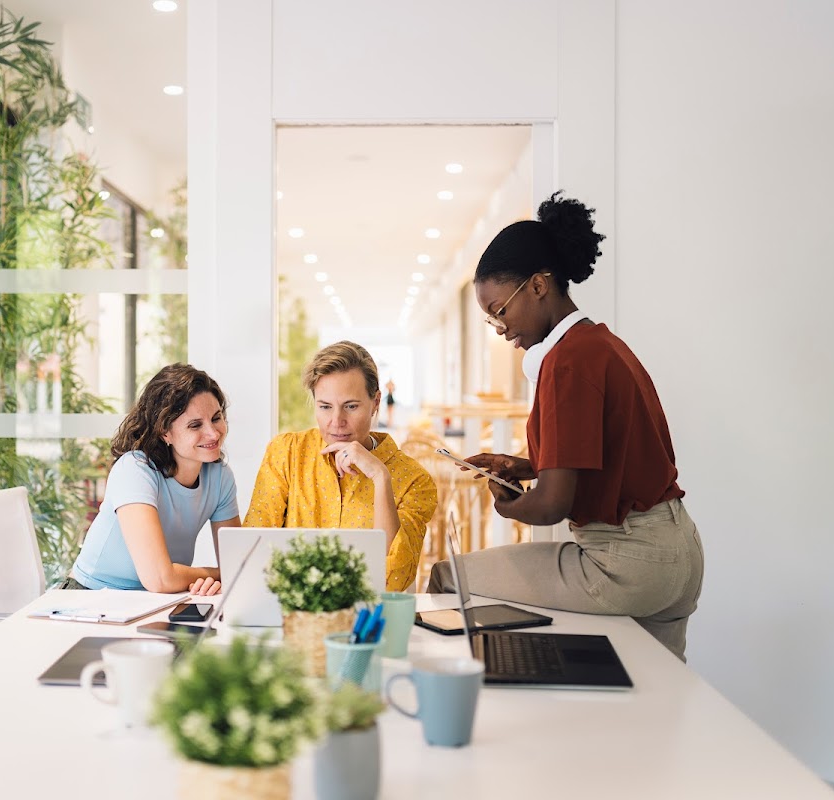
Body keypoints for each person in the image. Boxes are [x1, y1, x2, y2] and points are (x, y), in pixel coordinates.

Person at [428, 192, 704, 660]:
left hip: (626, 561)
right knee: (655, 690)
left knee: (447, 576)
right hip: (679, 550)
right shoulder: (602, 344)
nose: (500, 329)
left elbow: (553, 504)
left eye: (500, 311)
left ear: (538, 285)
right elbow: (609, 453)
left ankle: (468, 691)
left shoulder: (565, 362)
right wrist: (525, 466)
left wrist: (510, 506)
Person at [245, 341, 437, 591]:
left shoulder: (414, 480)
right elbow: (251, 551)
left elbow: (393, 581)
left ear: (376, 402)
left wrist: (380, 477)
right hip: (289, 607)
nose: (337, 421)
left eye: (351, 406)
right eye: (325, 407)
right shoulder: (286, 453)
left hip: (369, 612)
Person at [62, 364, 239, 595]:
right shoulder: (135, 469)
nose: (213, 433)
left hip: (156, 601)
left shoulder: (220, 477)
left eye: (216, 418)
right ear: (165, 432)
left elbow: (237, 566)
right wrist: (218, 574)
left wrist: (223, 574)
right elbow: (160, 579)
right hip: (89, 595)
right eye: (195, 425)